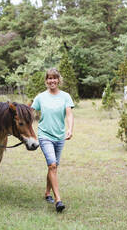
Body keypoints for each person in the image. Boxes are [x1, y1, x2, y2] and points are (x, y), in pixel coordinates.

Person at [31, 68, 74, 213]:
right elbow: (30, 113)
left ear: (58, 80)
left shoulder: (65, 96)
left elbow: (69, 114)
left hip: (60, 136)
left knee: (53, 166)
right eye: (49, 78)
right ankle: (58, 200)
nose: (52, 81)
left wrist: (70, 129)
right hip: (45, 135)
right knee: (53, 166)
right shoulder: (40, 97)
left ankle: (47, 193)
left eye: (54, 78)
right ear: (46, 81)